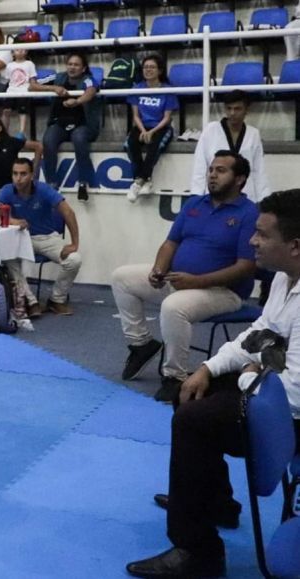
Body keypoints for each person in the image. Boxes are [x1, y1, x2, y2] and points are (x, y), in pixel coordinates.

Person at [125, 188, 300, 579]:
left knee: (194, 421)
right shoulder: (283, 280)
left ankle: (198, 551)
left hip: (292, 414)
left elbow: (296, 395)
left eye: (263, 235)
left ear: (295, 246)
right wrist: (209, 368)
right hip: (274, 386)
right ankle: (213, 502)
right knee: (191, 391)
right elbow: (258, 336)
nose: (253, 240)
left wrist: (250, 378)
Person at [111, 151, 258, 403]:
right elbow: (170, 243)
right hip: (180, 281)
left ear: (239, 179)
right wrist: (158, 270)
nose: (212, 175)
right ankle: (141, 344)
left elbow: (246, 267)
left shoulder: (249, 213)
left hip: (224, 292)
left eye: (221, 170)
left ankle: (174, 377)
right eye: (211, 169)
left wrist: (196, 281)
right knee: (121, 277)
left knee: (173, 306)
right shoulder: (194, 205)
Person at [0, 157, 81, 317]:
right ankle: (31, 302)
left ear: (32, 175)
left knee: (74, 260)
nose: (18, 178)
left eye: (23, 174)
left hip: (47, 238)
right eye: (15, 174)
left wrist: (74, 243)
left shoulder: (43, 190)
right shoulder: (6, 190)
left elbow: (68, 212)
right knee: (7, 256)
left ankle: (56, 300)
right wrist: (15, 221)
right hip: (20, 239)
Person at [30, 52, 101, 202]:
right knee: (48, 140)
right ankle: (51, 184)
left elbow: (90, 91)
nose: (72, 67)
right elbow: (32, 86)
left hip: (83, 124)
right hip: (60, 123)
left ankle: (82, 183)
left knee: (79, 139)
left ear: (83, 68)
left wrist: (77, 101)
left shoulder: (88, 79)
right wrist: (53, 88)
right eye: (70, 64)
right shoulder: (58, 77)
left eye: (76, 65)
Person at [191, 90, 271, 202]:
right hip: (216, 194)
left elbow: (259, 170)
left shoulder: (253, 134)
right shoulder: (211, 130)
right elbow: (200, 165)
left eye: (237, 109)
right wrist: (196, 196)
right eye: (229, 108)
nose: (232, 113)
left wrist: (264, 200)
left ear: (246, 110)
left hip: (245, 194)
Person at [126, 54, 178, 203]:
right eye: (146, 67)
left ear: (160, 70)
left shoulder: (167, 90)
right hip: (142, 126)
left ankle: (138, 182)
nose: (148, 70)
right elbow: (135, 116)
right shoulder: (137, 88)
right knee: (132, 143)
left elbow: (167, 117)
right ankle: (145, 180)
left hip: (160, 126)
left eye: (152, 67)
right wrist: (143, 130)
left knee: (154, 146)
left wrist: (151, 132)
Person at [0, 44, 38, 138]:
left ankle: (21, 132)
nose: (20, 51)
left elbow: (33, 79)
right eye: (17, 49)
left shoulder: (30, 64)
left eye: (22, 49)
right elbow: (7, 79)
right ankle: (4, 132)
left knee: (22, 111)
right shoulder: (9, 65)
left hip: (24, 92)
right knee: (6, 111)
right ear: (12, 53)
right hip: (11, 92)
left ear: (26, 51)